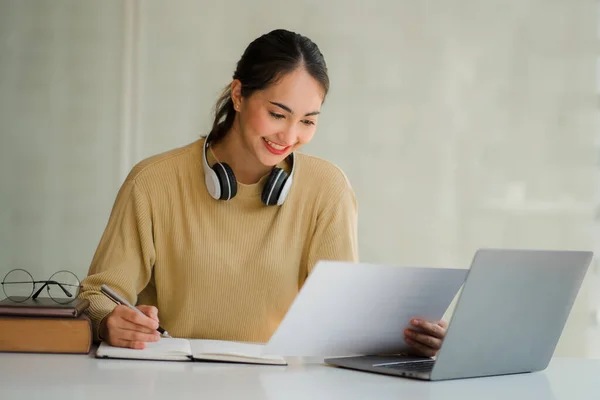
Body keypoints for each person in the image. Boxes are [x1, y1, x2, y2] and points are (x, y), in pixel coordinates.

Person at [78, 29, 447, 357]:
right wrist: (111, 320)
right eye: (277, 114)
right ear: (238, 95)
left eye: (307, 121)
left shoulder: (327, 189)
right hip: (172, 382)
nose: (289, 138)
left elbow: (341, 322)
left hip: (281, 386)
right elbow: (96, 295)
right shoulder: (153, 182)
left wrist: (410, 339)